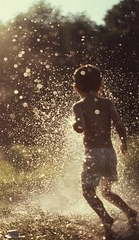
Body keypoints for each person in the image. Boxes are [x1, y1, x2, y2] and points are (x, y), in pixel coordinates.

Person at [72, 64, 137, 238]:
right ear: (101, 85)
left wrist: (77, 125)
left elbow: (81, 127)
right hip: (109, 153)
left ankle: (106, 217)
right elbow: (120, 126)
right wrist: (124, 143)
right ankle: (129, 211)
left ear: (76, 87)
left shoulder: (79, 106)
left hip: (93, 154)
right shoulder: (107, 103)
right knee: (106, 191)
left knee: (88, 191)